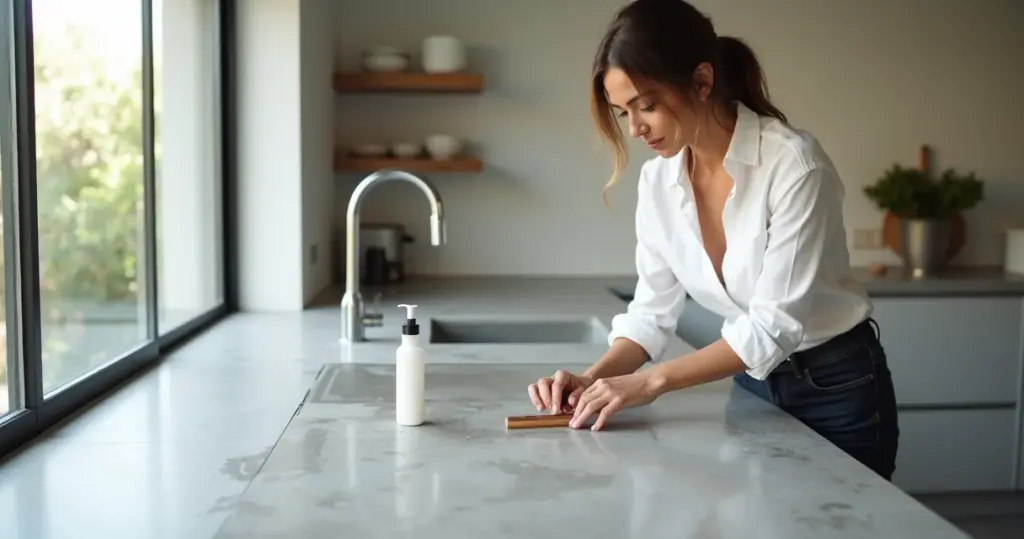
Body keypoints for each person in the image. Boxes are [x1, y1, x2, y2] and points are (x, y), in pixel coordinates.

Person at [527, 0, 899, 480]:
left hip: (838, 386)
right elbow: (649, 315)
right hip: (753, 385)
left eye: (647, 105)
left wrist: (648, 384)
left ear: (702, 81)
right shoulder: (659, 182)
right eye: (624, 113)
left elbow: (772, 326)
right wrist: (592, 378)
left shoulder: (793, 164)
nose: (636, 129)